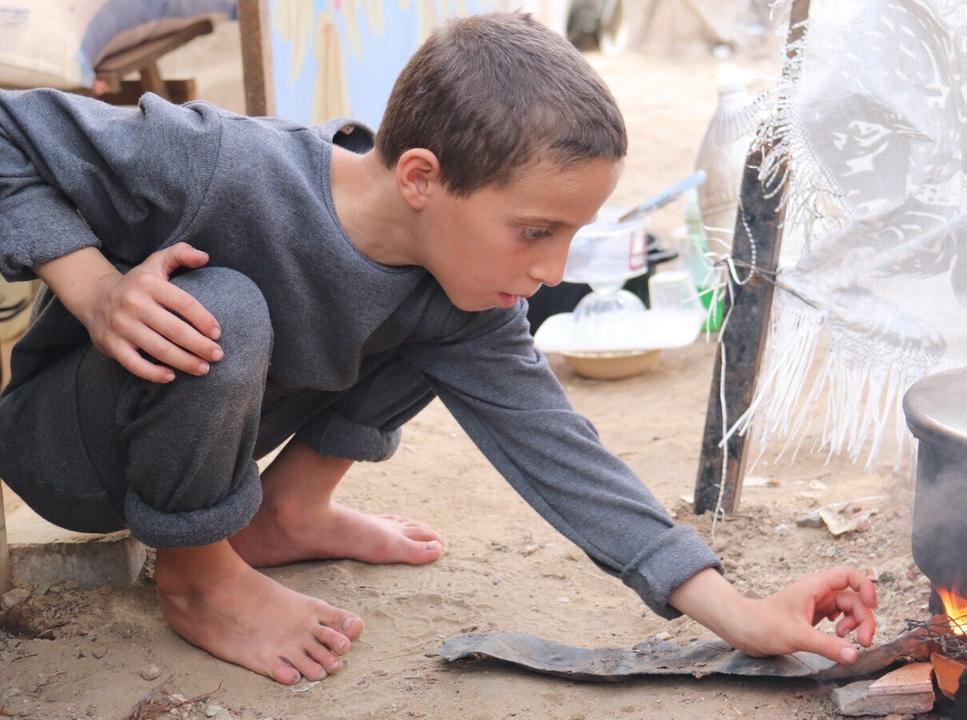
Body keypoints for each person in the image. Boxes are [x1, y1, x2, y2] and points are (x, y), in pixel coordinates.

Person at [0, 12, 876, 685]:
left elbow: (559, 451)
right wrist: (92, 284)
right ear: (420, 175)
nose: (552, 269)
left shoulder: (469, 290)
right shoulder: (216, 165)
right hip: (72, 449)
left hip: (211, 437)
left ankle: (285, 513)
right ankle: (196, 576)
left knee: (449, 307)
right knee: (225, 308)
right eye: (536, 230)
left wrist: (738, 612)